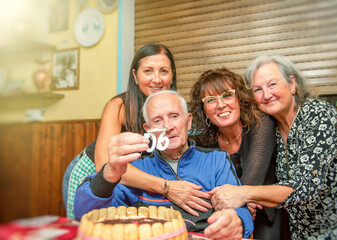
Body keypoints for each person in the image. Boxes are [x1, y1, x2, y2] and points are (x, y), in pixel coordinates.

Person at [210, 55, 337, 239]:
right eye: (258, 89)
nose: (266, 95)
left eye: (272, 84)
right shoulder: (273, 127)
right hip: (304, 232)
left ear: (292, 84)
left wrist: (243, 193)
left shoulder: (319, 114)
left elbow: (306, 187)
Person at [74, 90, 254, 239]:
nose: (168, 126)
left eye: (174, 116)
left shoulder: (216, 160)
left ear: (189, 121)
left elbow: (240, 211)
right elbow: (85, 214)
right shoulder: (136, 168)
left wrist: (237, 221)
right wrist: (110, 173)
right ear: (148, 130)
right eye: (158, 121)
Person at [64, 43, 211, 219]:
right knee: (86, 227)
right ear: (135, 75)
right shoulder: (119, 106)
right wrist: (167, 187)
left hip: (135, 177)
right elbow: (104, 164)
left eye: (164, 71)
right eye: (148, 71)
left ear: (172, 75)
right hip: (92, 175)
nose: (157, 79)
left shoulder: (178, 109)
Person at [189, 67, 287, 240]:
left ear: (239, 99)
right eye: (211, 100)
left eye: (227, 95)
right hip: (225, 212)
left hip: (265, 211)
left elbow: (250, 183)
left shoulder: (262, 125)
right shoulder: (203, 142)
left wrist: (236, 204)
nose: (221, 105)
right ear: (204, 110)